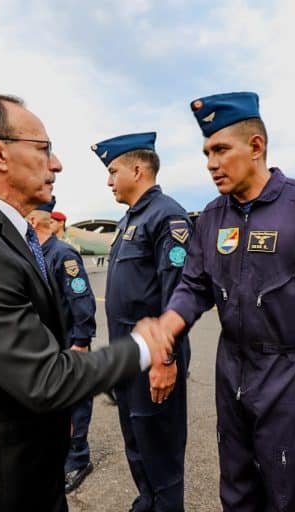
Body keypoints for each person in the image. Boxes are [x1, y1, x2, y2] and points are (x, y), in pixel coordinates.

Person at [0, 94, 171, 512]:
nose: (57, 164)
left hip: (23, 469)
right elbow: (45, 378)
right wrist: (143, 346)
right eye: (44, 149)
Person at [158, 92, 295, 511]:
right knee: (236, 484)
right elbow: (194, 284)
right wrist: (170, 323)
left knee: (286, 489)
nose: (211, 163)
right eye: (206, 153)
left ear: (256, 147)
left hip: (291, 371)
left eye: (220, 150)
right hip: (231, 365)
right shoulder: (212, 215)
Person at [91, 131, 191, 511]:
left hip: (155, 362)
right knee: (136, 443)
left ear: (138, 169)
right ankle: (147, 502)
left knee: (161, 451)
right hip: (128, 359)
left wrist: (165, 361)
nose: (108, 180)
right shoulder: (129, 220)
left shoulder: (168, 216)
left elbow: (177, 298)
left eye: (113, 171)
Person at [26, 197, 97, 493]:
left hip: (70, 345)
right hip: (47, 346)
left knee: (76, 403)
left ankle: (78, 460)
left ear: (32, 223)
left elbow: (81, 301)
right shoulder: (33, 254)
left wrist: (81, 342)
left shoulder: (63, 254)